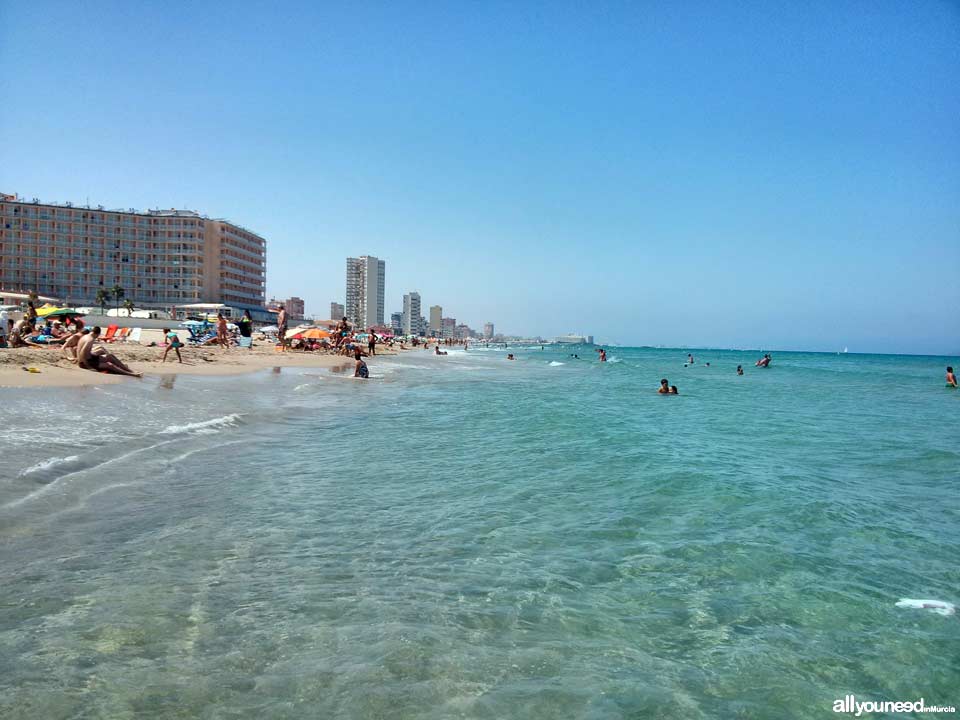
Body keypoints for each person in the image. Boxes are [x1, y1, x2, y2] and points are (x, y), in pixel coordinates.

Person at [77, 326, 141, 377]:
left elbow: (79, 350)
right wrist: (88, 366)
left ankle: (129, 370)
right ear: (97, 334)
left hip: (88, 359)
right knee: (110, 365)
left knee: (110, 356)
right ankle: (130, 373)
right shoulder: (90, 339)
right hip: (86, 363)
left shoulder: (85, 336)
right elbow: (82, 352)